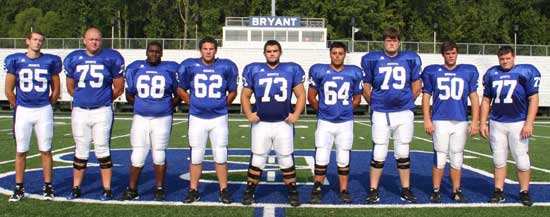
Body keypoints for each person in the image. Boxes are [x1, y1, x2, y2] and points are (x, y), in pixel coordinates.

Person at [240, 40, 306, 207]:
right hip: (261, 123)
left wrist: (296, 114)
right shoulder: (254, 69)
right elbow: (245, 95)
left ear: (280, 52)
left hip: (283, 123)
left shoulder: (291, 69)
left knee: (285, 159)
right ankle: (249, 191)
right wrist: (249, 114)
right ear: (264, 53)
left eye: (275, 51)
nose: (272, 53)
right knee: (257, 158)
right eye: (269, 51)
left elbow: (301, 95)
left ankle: (292, 191)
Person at [361, 27, 422, 203]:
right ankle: (373, 189)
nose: (391, 42)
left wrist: (407, 102)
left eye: (394, 40)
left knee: (403, 150)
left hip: (403, 112)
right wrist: (375, 103)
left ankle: (405, 189)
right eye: (388, 40)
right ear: (384, 42)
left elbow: (417, 84)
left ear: (399, 42)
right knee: (379, 152)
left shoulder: (410, 58)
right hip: (381, 112)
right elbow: (366, 86)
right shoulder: (372, 59)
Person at [64, 27, 125, 201]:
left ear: (102, 40)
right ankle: (76, 187)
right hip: (80, 110)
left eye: (97, 39)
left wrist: (103, 99)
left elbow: (119, 87)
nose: (94, 42)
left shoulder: (111, 57)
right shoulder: (73, 58)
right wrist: (83, 99)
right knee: (81, 150)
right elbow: (70, 87)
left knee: (102, 148)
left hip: (102, 111)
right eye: (91, 39)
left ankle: (107, 188)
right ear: (84, 40)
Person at [177, 37, 238, 204]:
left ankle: (224, 189)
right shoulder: (190, 66)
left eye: (211, 48)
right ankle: (193, 189)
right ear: (200, 50)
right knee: (196, 155)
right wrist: (193, 102)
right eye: (205, 48)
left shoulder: (226, 66)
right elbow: (181, 89)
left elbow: (233, 91)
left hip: (219, 117)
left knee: (221, 154)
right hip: (197, 117)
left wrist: (221, 104)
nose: (208, 51)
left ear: (216, 50)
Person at [4, 31, 61, 202]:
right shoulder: (16, 61)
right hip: (24, 110)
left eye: (41, 40)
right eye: (35, 40)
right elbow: (9, 89)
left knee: (46, 150)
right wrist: (18, 105)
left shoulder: (50, 61)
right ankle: (19, 188)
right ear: (27, 41)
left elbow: (56, 88)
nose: (37, 43)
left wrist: (48, 104)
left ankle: (48, 186)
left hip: (43, 110)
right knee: (21, 150)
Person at [118, 42, 179, 201]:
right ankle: (132, 189)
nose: (154, 54)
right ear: (146, 52)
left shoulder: (170, 69)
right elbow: (129, 94)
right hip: (141, 118)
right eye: (151, 51)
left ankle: (159, 188)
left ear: (161, 54)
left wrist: (166, 106)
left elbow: (178, 93)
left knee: (159, 154)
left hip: (162, 118)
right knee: (138, 154)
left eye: (157, 52)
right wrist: (141, 105)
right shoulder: (135, 68)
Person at [480, 46, 540, 206]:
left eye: (507, 58)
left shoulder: (525, 72)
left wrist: (529, 123)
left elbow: (533, 98)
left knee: (522, 160)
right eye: (502, 58)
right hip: (497, 122)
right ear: (498, 59)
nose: (505, 61)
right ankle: (498, 191)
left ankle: (524, 191)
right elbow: (486, 100)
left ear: (513, 57)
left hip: (518, 122)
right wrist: (483, 122)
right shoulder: (492, 73)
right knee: (498, 159)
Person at [421, 41, 480, 203]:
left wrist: (475, 121)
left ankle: (456, 190)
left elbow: (474, 98)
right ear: (443, 55)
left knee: (457, 156)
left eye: (453, 53)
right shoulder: (433, 71)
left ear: (457, 53)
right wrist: (427, 119)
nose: (451, 56)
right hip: (440, 119)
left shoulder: (467, 71)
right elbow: (426, 96)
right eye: (447, 53)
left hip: (460, 120)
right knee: (440, 155)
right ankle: (436, 190)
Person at [307, 42, 363, 204]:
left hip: (345, 122)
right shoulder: (320, 70)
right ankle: (317, 188)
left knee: (344, 156)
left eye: (340, 53)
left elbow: (358, 97)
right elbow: (311, 96)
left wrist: (346, 110)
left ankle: (344, 190)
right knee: (321, 155)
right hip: (325, 121)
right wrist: (322, 111)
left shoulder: (354, 72)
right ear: (330, 54)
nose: (337, 56)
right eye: (334, 53)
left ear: (345, 54)